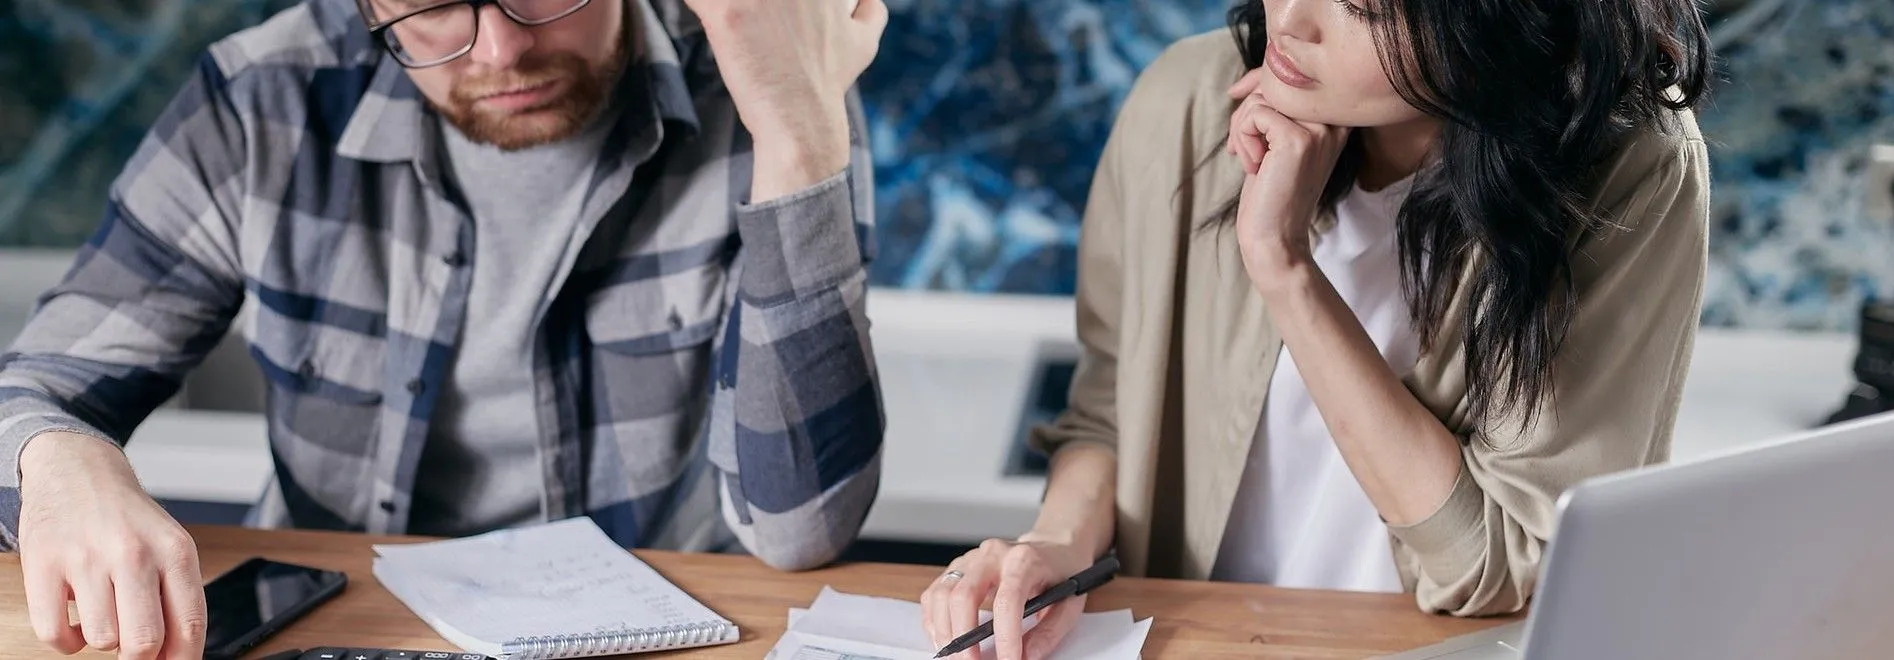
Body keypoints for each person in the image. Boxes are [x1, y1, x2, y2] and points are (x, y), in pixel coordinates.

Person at [0, 0, 889, 656]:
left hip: (665, 630)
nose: (501, 50)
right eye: (430, 10)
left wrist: (800, 138)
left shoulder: (772, 80)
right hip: (339, 624)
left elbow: (799, 525)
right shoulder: (259, 99)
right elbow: (39, 386)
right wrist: (60, 463)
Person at [921, 0, 1713, 657]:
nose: (1290, 22)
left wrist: (1283, 265)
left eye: (1363, 6)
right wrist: (1056, 545)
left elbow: (1498, 563)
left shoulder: (1627, 167)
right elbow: (1111, 406)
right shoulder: (1189, 101)